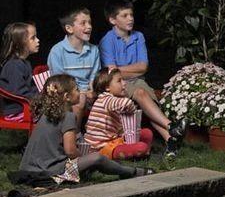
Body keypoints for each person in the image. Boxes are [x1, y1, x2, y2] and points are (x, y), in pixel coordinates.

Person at [17, 74, 152, 186]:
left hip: (28, 169)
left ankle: (114, 168)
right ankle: (131, 171)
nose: (80, 92)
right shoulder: (67, 116)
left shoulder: (46, 114)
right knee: (97, 158)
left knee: (92, 160)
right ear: (66, 97)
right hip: (50, 172)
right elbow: (70, 151)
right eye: (76, 89)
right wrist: (85, 158)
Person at [99, 0, 183, 157]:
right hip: (118, 84)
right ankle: (171, 127)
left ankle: (171, 139)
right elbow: (112, 74)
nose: (130, 18)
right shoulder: (107, 41)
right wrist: (130, 70)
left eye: (131, 15)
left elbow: (143, 67)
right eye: (124, 16)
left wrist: (120, 69)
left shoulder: (139, 37)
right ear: (112, 20)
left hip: (138, 81)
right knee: (141, 94)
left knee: (146, 100)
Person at [85, 68, 154, 160]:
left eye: (123, 80)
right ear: (107, 87)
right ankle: (139, 152)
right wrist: (132, 110)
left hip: (115, 140)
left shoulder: (113, 100)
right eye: (119, 81)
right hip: (103, 148)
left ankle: (143, 153)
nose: (124, 83)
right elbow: (126, 103)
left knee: (147, 133)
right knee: (141, 147)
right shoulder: (106, 99)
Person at [47, 7, 100, 123]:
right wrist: (82, 93)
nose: (89, 26)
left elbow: (94, 77)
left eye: (90, 22)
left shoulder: (94, 50)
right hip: (66, 93)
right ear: (69, 28)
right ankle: (74, 132)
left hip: (88, 93)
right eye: (83, 23)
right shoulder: (57, 51)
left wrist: (92, 90)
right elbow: (60, 82)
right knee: (80, 100)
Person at [0, 22, 41, 116]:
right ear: (20, 43)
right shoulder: (14, 65)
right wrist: (42, 99)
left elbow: (30, 88)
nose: (38, 40)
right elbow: (20, 92)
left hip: (28, 107)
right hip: (18, 111)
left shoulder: (24, 63)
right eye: (33, 38)